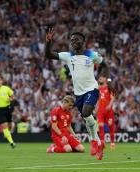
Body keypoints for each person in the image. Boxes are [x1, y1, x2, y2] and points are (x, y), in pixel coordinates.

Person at [45, 28, 114, 160]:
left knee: (86, 112)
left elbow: (105, 66)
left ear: (84, 41)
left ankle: (94, 141)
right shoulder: (68, 56)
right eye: (71, 40)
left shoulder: (91, 54)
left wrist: (108, 81)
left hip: (92, 89)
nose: (73, 42)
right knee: (87, 118)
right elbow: (49, 55)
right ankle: (98, 143)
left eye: (76, 39)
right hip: (79, 94)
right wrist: (48, 42)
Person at [97, 75, 115, 150]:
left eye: (101, 78)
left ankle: (112, 142)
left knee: (110, 126)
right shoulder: (98, 88)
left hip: (108, 110)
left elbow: (113, 97)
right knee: (100, 126)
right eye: (99, 78)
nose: (99, 79)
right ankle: (102, 142)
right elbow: (98, 99)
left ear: (105, 79)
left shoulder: (109, 87)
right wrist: (97, 107)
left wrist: (109, 105)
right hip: (101, 110)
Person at [0, 74, 16, 148]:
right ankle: (12, 143)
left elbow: (13, 97)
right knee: (4, 125)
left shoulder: (6, 88)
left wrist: (11, 99)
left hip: (8, 108)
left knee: (10, 125)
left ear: (2, 81)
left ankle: (6, 135)